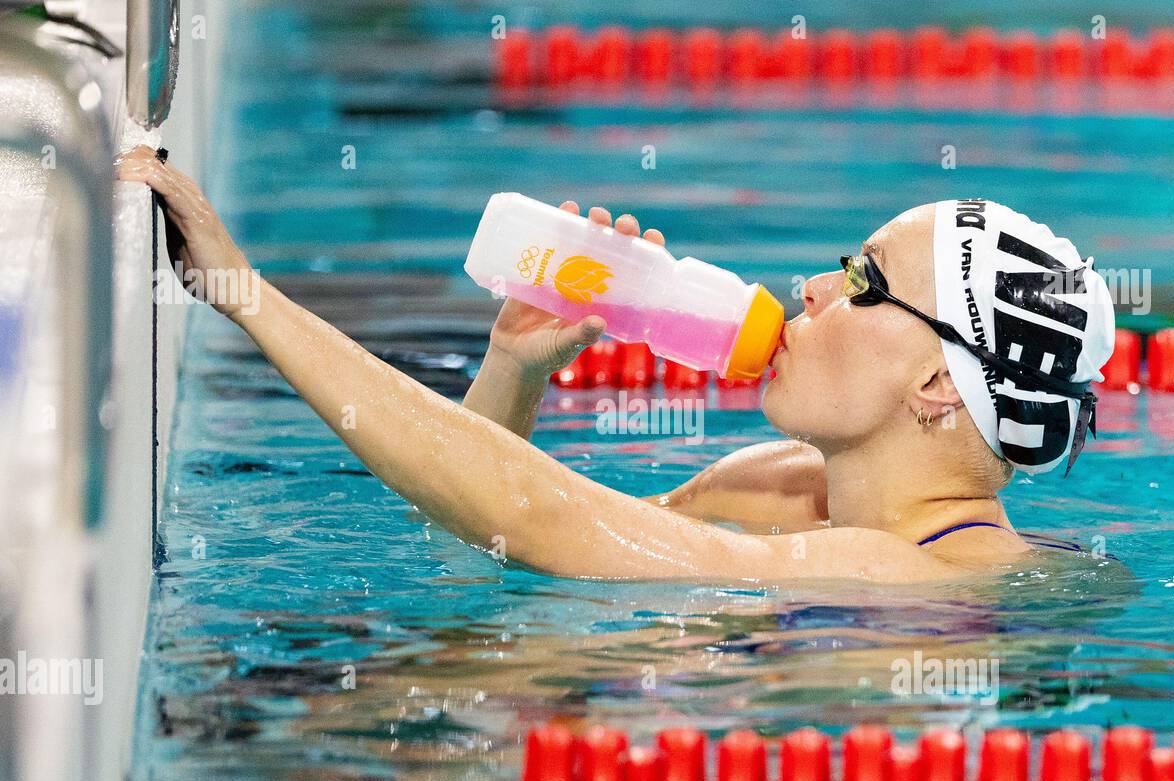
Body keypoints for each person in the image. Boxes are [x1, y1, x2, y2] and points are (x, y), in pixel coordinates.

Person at [116, 146, 1114, 583]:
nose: (811, 286)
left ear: (941, 384)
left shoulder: (917, 581)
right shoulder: (763, 488)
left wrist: (244, 292)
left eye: (862, 280)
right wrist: (515, 370)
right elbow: (492, 555)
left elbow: (539, 520)